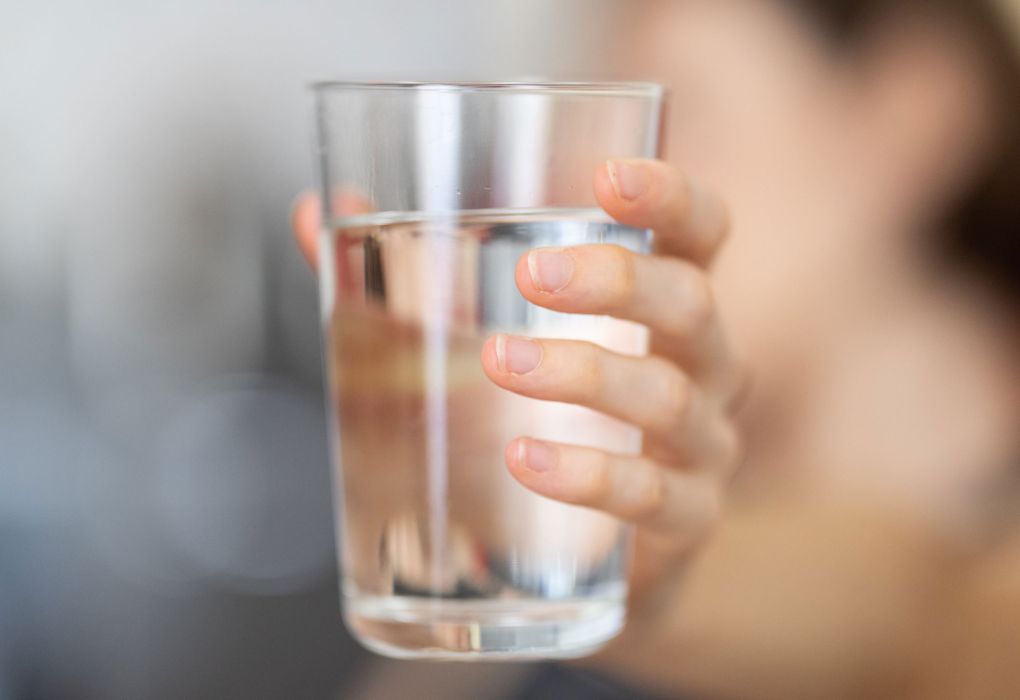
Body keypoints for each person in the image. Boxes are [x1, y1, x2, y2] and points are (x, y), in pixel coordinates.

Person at [292, 0, 1020, 697]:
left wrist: (657, 589)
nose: (586, 183)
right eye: (586, 130)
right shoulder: (622, 497)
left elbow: (919, 615)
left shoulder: (967, 583)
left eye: (679, 112)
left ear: (913, 109)